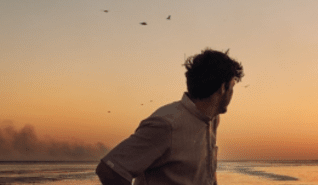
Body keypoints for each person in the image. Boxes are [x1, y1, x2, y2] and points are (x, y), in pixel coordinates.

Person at [96, 48, 244, 185]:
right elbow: (110, 170)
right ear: (223, 88)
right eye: (232, 86)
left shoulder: (212, 120)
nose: (232, 94)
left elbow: (206, 173)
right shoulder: (166, 124)